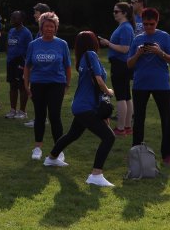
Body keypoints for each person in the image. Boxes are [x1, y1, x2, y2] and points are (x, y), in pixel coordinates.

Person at [44, 31, 116, 187]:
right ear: (92, 43)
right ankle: (96, 175)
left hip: (82, 105)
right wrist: (108, 91)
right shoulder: (90, 55)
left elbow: (93, 84)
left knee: (72, 135)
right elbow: (97, 79)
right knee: (109, 137)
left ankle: (51, 158)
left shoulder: (83, 58)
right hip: (85, 107)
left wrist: (103, 110)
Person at [127, 7, 170, 166]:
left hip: (161, 84)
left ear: (157, 22)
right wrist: (138, 54)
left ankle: (168, 155)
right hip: (140, 84)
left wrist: (159, 52)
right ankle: (135, 152)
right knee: (139, 120)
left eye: (151, 24)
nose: (148, 27)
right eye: (146, 24)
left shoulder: (164, 37)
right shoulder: (137, 39)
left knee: (166, 119)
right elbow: (129, 64)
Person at [24, 11, 71, 160]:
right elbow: (27, 66)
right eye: (46, 26)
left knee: (55, 116)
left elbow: (68, 66)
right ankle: (37, 147)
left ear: (56, 28)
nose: (49, 29)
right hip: (38, 83)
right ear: (41, 27)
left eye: (52, 26)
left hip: (57, 83)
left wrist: (67, 84)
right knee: (39, 115)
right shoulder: (33, 44)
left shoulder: (62, 44)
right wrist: (27, 85)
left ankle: (59, 149)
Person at [98, 2, 135, 136]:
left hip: (120, 65)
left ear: (124, 13)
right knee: (126, 96)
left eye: (116, 11)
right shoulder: (125, 26)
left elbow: (125, 49)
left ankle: (120, 128)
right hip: (122, 64)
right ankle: (127, 126)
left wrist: (108, 43)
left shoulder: (125, 28)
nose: (114, 13)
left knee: (121, 97)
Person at [4, 10, 33, 119]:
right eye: (11, 17)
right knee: (12, 86)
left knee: (22, 86)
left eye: (14, 18)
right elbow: (8, 45)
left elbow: (30, 49)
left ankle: (22, 111)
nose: (12, 20)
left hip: (21, 63)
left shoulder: (26, 33)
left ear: (21, 20)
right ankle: (12, 110)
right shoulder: (11, 31)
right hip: (11, 62)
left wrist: (26, 63)